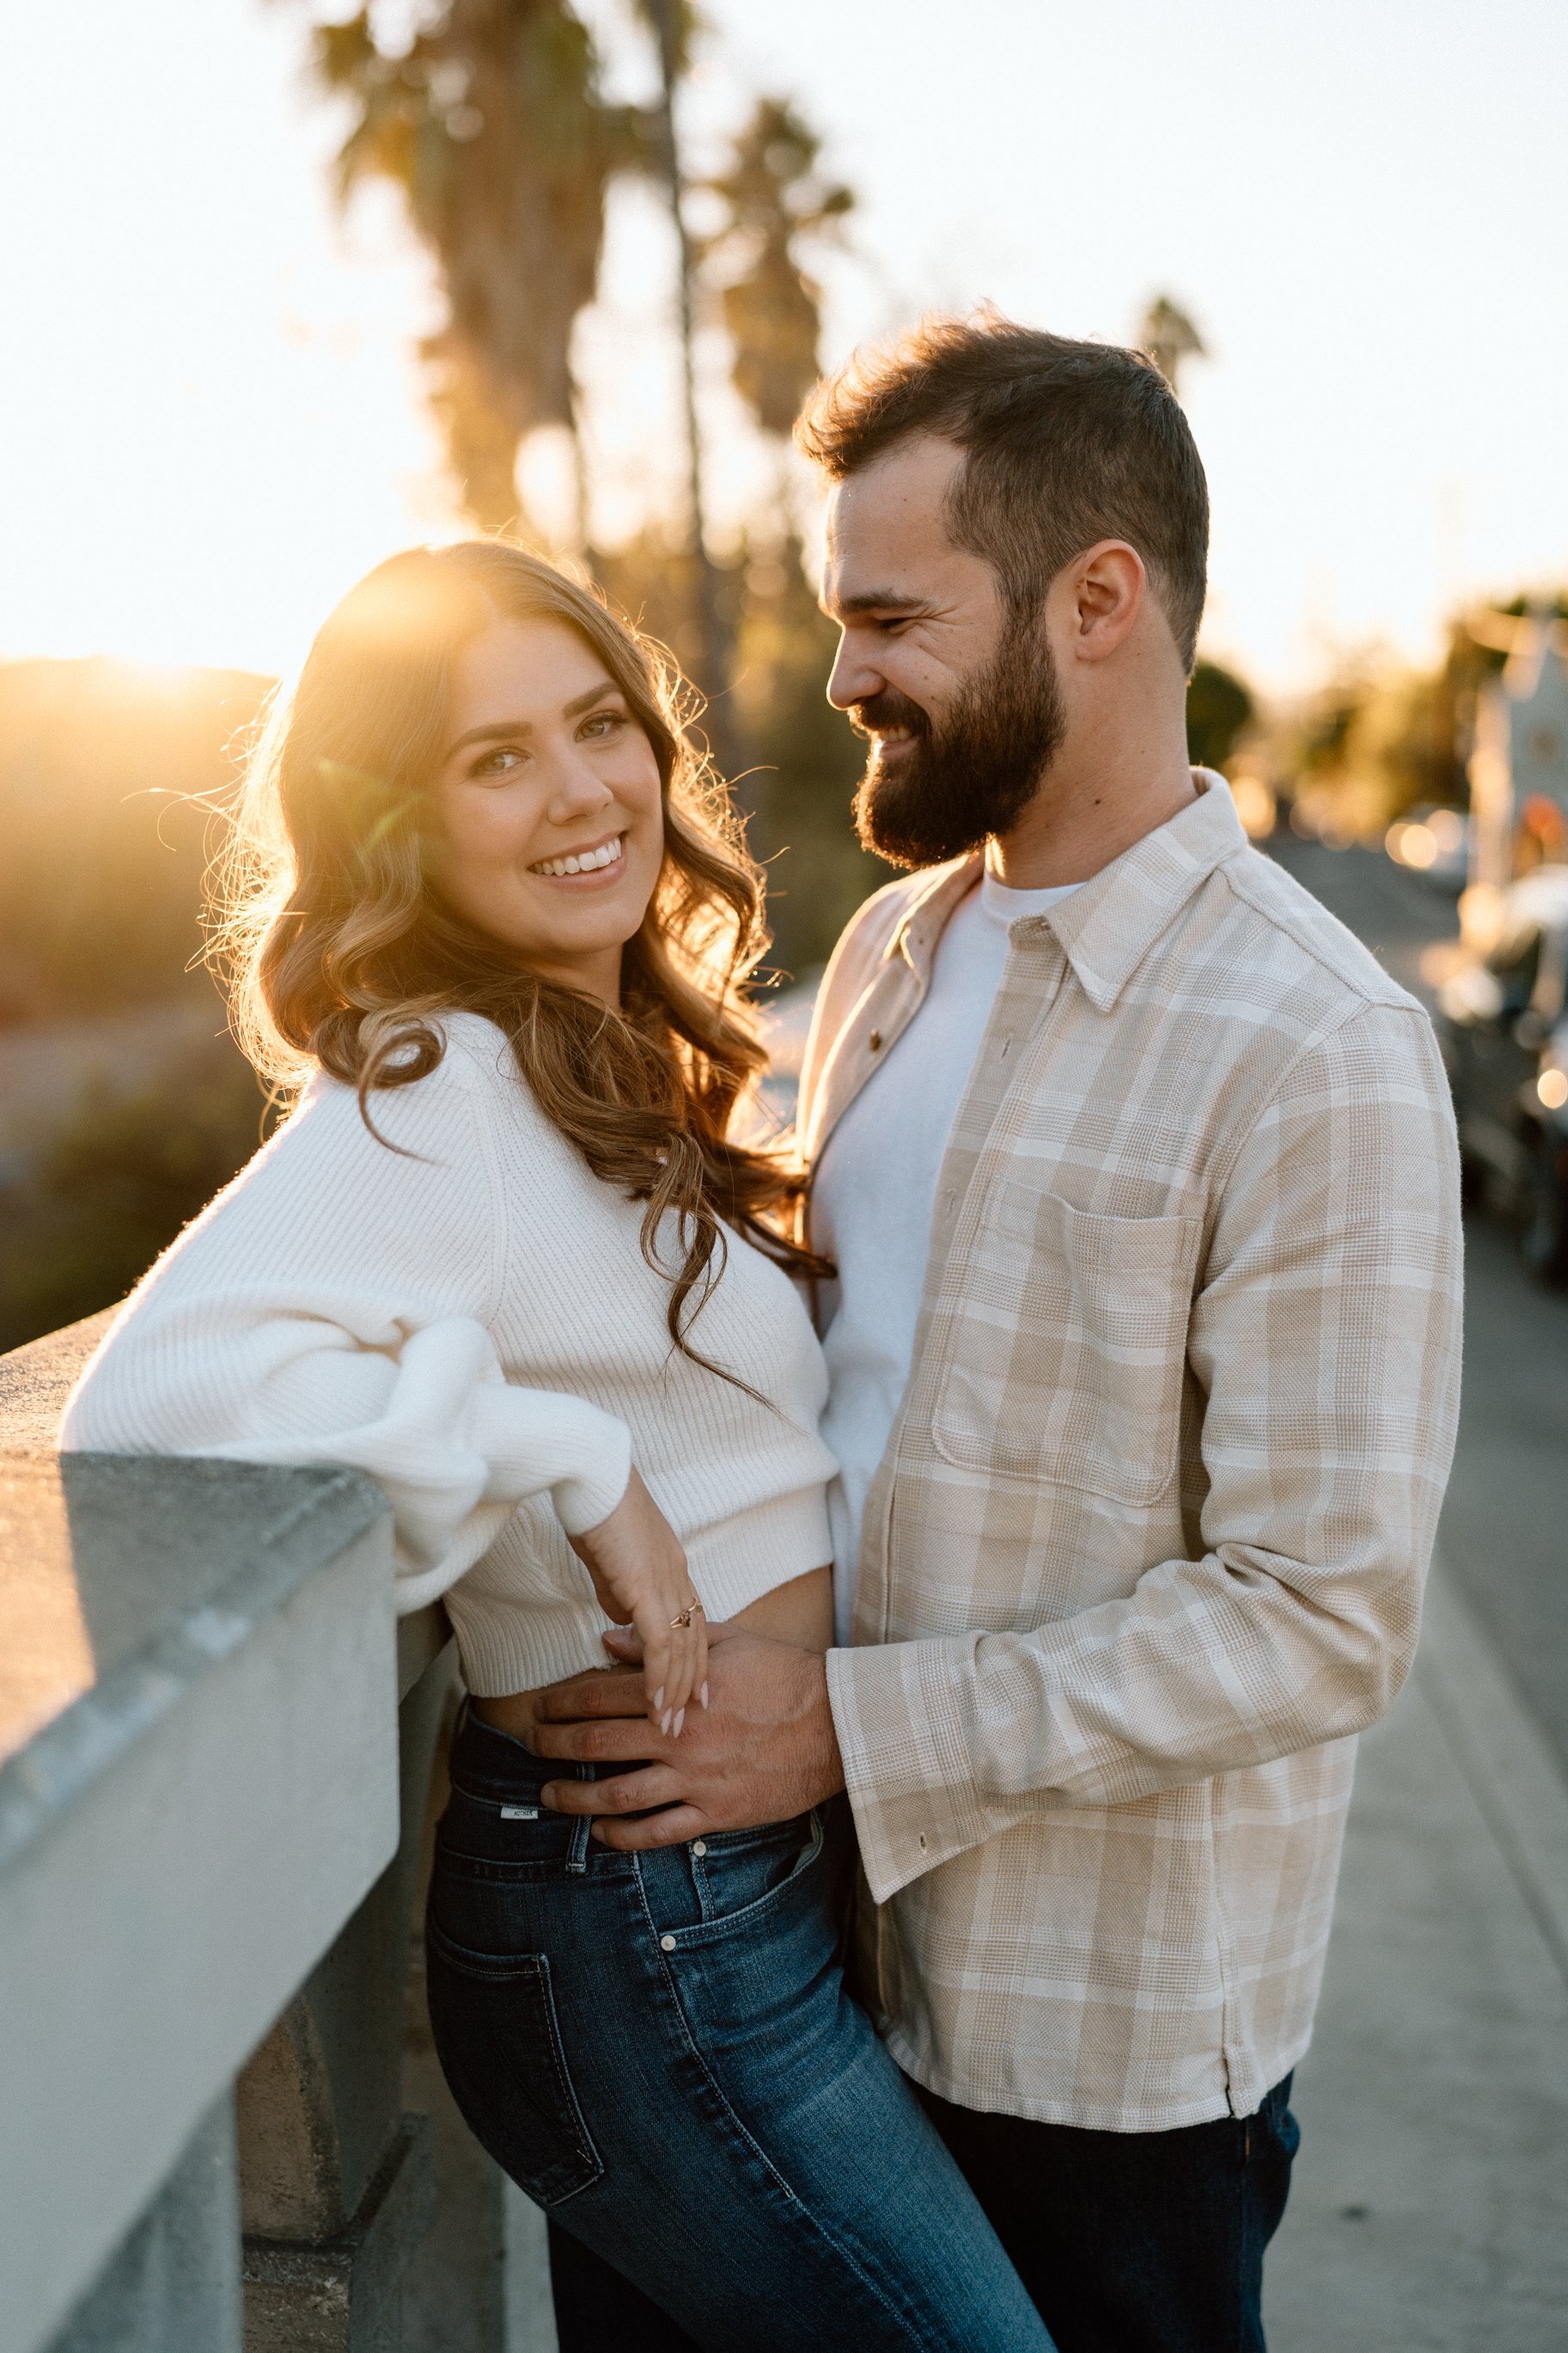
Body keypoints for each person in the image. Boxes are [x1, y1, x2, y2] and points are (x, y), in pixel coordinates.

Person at [525, 314, 1466, 2353]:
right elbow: (842, 1366)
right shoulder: (891, 942)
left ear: (1097, 599)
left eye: (889, 617)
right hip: (790, 1958)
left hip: (1096, 2058)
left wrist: (844, 1734)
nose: (846, 673)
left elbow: (1325, 1610)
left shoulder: (1322, 1046)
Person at [58, 541, 1055, 2353]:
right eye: (489, 757)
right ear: (395, 825)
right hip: (642, 1925)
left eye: (597, 723)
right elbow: (154, 1403)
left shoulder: (580, 1059)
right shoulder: (435, 1090)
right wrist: (564, 1460)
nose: (582, 788)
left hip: (718, 1886)